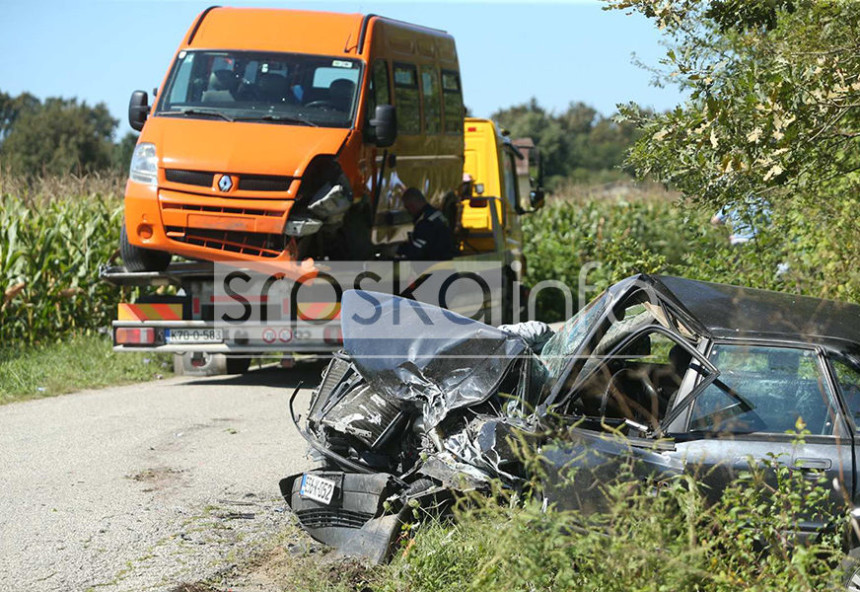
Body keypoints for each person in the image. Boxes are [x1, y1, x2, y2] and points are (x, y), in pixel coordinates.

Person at [396, 188, 455, 260]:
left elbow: (416, 251)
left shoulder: (426, 222)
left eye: (408, 207)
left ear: (413, 204)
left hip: (433, 267)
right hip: (446, 264)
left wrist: (398, 249)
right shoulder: (436, 215)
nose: (409, 211)